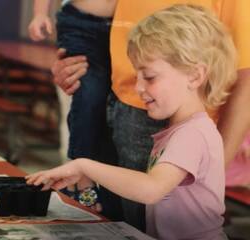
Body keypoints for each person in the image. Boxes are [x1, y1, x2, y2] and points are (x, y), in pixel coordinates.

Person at [27, 4, 237, 239]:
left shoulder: (193, 135)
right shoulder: (178, 130)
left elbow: (151, 189)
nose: (138, 87)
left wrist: (84, 166)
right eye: (137, 76)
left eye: (149, 77)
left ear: (195, 75)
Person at [28, 0, 117, 211]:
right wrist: (40, 14)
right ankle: (81, 178)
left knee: (110, 109)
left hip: (121, 27)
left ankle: (104, 192)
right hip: (81, 25)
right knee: (89, 95)